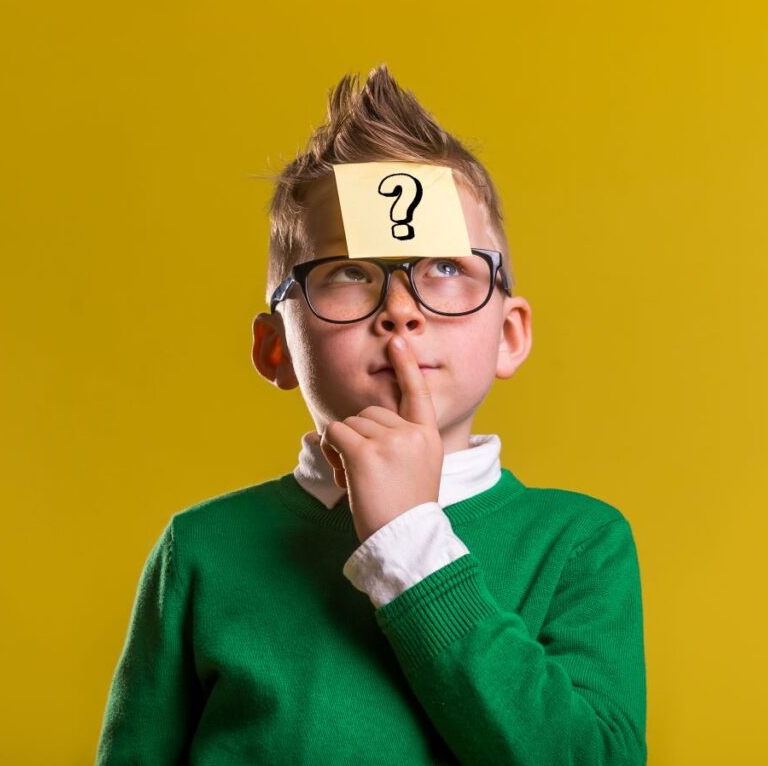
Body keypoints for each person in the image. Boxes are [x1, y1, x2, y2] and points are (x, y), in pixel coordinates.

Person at [95, 64, 647, 766]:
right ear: (276, 348)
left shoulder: (578, 544)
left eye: (445, 268)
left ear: (508, 334)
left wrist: (411, 543)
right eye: (350, 273)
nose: (401, 309)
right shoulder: (201, 551)